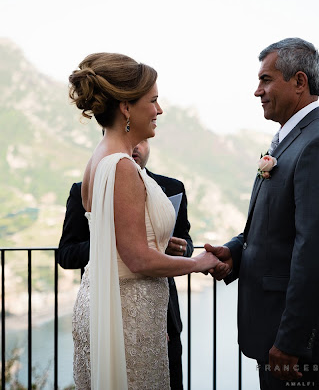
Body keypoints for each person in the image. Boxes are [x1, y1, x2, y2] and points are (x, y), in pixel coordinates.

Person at [206, 38, 319, 389]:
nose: (257, 91)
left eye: (266, 79)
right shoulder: (291, 140)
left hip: (296, 346)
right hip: (275, 331)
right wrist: (235, 252)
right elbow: (278, 227)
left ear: (300, 82)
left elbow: (317, 251)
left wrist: (291, 341)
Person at [67, 52, 223, 390]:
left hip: (106, 304)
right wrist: (199, 262)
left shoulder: (99, 159)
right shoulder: (121, 166)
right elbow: (137, 258)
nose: (159, 109)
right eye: (152, 100)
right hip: (127, 315)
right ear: (126, 106)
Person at [57, 138, 193, 390]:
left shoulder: (171, 187)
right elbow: (65, 254)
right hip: (106, 314)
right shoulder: (82, 189)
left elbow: (186, 240)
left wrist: (182, 249)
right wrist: (112, 242)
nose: (135, 148)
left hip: (162, 316)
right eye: (129, 140)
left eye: (141, 141)